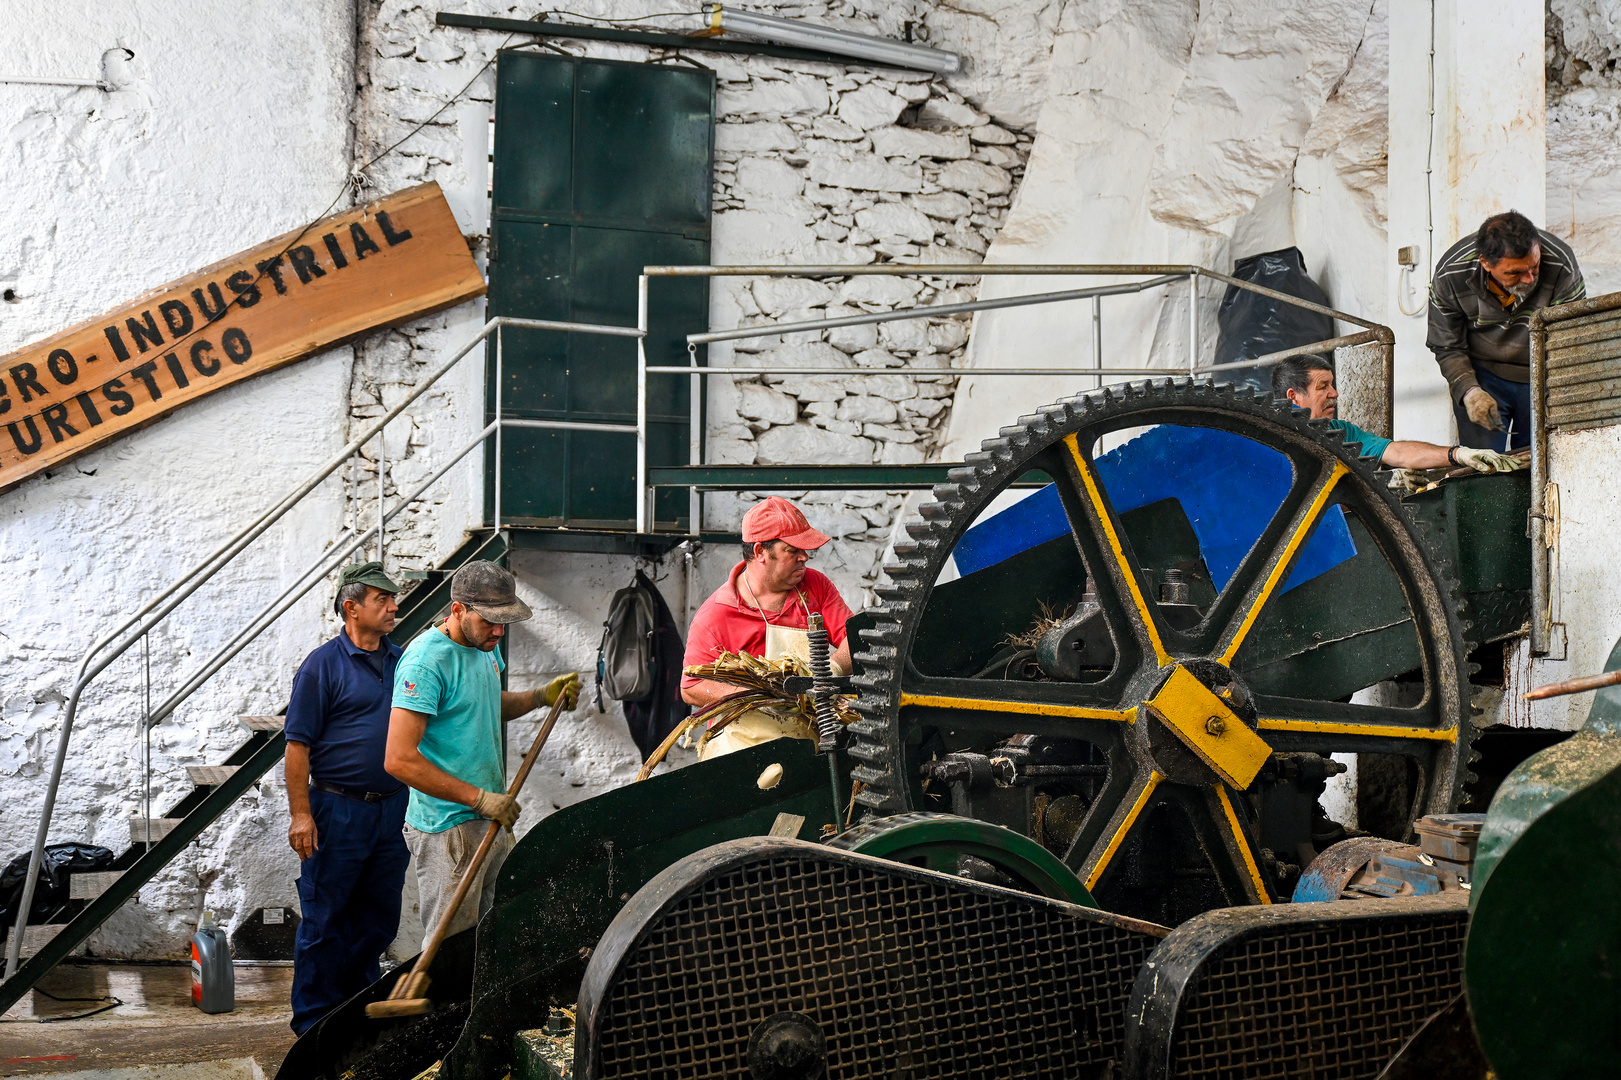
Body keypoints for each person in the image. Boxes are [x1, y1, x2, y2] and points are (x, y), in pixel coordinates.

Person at [384, 561, 579, 938]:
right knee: (450, 950)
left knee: (491, 940)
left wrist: (539, 696)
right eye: (490, 620)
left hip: (489, 818)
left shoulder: (483, 646)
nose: (498, 631)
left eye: (504, 621)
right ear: (457, 610)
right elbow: (398, 758)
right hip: (449, 830)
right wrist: (478, 799)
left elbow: (486, 701)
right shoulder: (426, 662)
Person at [284, 561, 410, 1036]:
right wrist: (301, 814)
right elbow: (297, 747)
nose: (394, 607)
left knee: (377, 917)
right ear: (351, 607)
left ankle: (358, 1016)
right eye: (382, 600)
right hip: (337, 810)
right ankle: (314, 1028)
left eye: (393, 599)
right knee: (325, 918)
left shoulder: (402, 662)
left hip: (392, 807)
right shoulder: (322, 665)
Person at [682, 496, 856, 759]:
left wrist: (834, 667)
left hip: (811, 742)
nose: (804, 557)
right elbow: (691, 687)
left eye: (805, 550)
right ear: (761, 551)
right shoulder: (716, 615)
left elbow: (854, 639)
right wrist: (760, 697)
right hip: (743, 749)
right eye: (792, 550)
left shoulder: (815, 586)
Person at [1428, 210, 1586, 451]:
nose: (1529, 279)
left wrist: (1559, 390)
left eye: (1534, 266)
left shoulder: (1560, 261)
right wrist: (1469, 390)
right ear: (1485, 263)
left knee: (1542, 462)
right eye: (1514, 273)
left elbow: (1572, 337)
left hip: (1543, 374)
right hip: (1483, 375)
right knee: (1484, 465)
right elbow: (1446, 345)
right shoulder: (1451, 273)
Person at [1272, 355, 1520, 473]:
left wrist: (1460, 454)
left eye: (1333, 384)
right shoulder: (1268, 437)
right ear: (1293, 396)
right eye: (1323, 386)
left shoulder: (1341, 432)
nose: (1334, 394)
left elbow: (1397, 452)